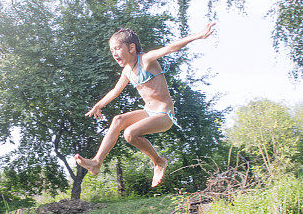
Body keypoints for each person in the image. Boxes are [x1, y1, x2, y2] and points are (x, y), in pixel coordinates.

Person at [75, 23, 216, 187]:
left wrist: (197, 35)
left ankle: (158, 161)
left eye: (118, 49)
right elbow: (115, 91)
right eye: (112, 50)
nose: (114, 53)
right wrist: (98, 105)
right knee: (118, 120)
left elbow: (171, 48)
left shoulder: (146, 60)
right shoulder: (127, 70)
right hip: (149, 111)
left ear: (132, 47)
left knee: (129, 133)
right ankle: (96, 162)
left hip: (164, 115)